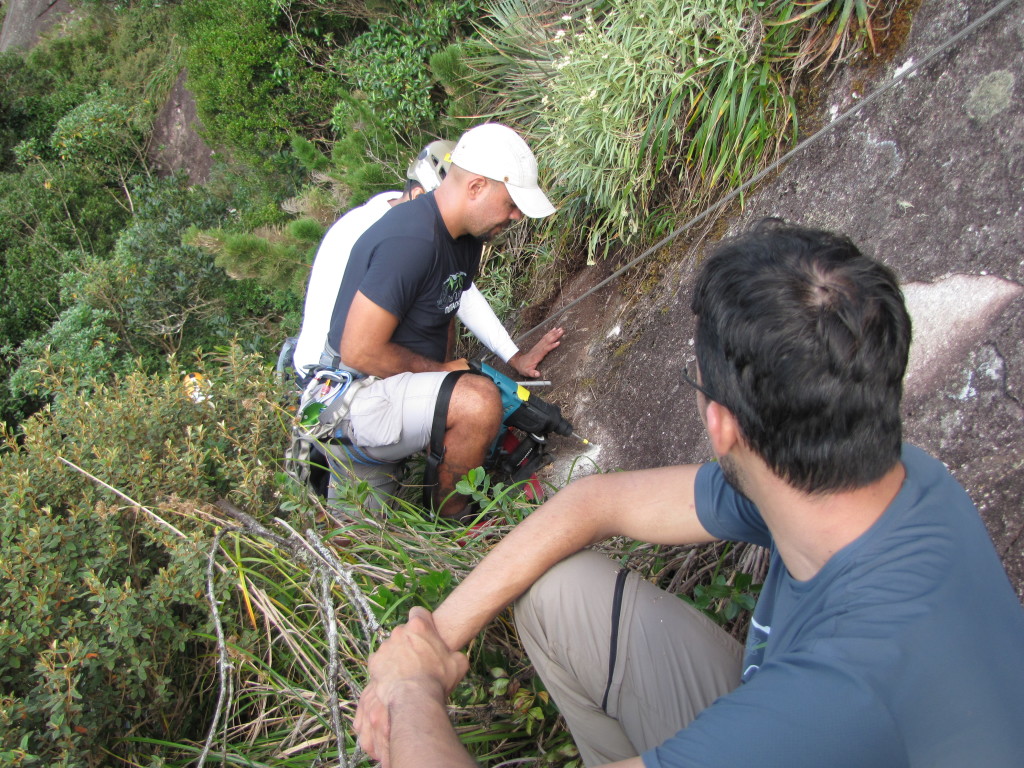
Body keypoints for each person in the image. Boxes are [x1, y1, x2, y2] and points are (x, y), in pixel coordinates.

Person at [353, 219, 1024, 767]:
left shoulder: (838, 699)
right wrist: (431, 640)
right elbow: (595, 504)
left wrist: (410, 694)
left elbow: (819, 713)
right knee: (558, 593)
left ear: (721, 424)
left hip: (816, 724)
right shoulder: (869, 469)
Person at [324, 123, 563, 518]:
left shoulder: (464, 240)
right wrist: (443, 376)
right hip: (356, 397)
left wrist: (445, 379)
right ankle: (453, 526)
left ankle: (438, 501)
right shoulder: (410, 241)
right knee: (479, 401)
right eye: (511, 203)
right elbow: (358, 349)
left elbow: (444, 310)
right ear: (476, 188)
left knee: (472, 388)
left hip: (395, 390)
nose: (517, 215)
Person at [292, 140, 527, 378]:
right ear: (420, 193)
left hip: (375, 352)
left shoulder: (408, 212)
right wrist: (441, 373)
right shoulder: (379, 232)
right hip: (331, 370)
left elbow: (455, 293)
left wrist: (513, 356)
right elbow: (359, 348)